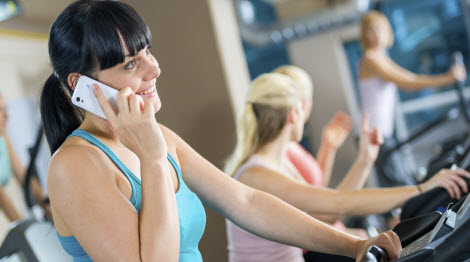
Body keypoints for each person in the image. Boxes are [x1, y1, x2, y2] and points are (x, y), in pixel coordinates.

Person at [42, 1, 403, 261]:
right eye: (131, 63)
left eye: (148, 51)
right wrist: (152, 160)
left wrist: (350, 244)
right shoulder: (75, 166)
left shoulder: (162, 138)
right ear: (84, 85)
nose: (154, 70)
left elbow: (246, 203)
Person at [225, 72, 469, 262]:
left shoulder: (278, 166)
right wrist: (423, 188)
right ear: (293, 113)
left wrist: (365, 160)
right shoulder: (257, 176)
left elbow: (330, 213)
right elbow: (339, 203)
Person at [359, 10, 467, 187]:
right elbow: (408, 83)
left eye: (380, 29)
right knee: (400, 188)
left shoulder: (381, 57)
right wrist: (448, 78)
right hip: (373, 133)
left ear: (387, 31)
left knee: (402, 183)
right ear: (365, 34)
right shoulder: (371, 59)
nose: (376, 35)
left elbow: (410, 79)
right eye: (371, 30)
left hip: (381, 132)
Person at [274, 65, 377, 238]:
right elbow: (325, 213)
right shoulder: (279, 153)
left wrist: (328, 148)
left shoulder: (291, 144)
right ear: (303, 105)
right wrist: (365, 161)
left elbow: (313, 191)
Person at [0, 93, 50, 222]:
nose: (7, 116)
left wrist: (48, 208)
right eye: (0, 110)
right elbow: (2, 197)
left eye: (6, 109)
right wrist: (20, 227)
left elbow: (23, 177)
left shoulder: (3, 138)